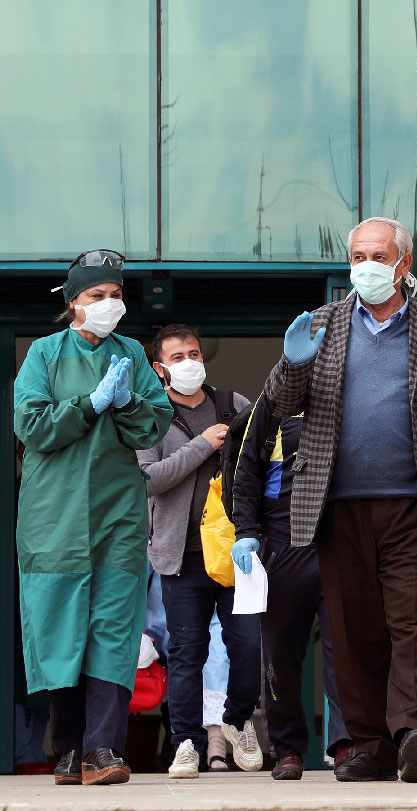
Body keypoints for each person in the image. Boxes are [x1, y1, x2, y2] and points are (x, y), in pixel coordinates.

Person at [264, 216, 417, 783]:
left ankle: (412, 730)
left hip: (416, 502)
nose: (365, 265)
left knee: (414, 622)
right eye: (357, 255)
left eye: (377, 255)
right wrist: (293, 362)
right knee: (352, 627)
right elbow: (279, 404)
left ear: (403, 264)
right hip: (336, 504)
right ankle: (369, 745)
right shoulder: (323, 323)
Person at [13, 250, 173, 785]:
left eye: (115, 295)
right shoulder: (42, 353)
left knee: (112, 628)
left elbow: (151, 429)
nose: (109, 304)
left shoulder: (131, 353)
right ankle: (68, 749)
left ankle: (103, 750)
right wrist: (90, 404)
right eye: (96, 296)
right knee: (62, 629)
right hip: (52, 516)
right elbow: (32, 427)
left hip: (117, 515)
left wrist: (126, 403)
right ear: (72, 303)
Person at [136, 324, 258, 779]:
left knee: (247, 646)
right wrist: (202, 445)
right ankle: (185, 741)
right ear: (159, 368)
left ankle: (238, 720)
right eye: (178, 356)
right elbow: (150, 479)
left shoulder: (234, 406)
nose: (189, 362)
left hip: (235, 553)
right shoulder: (148, 417)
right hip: (179, 555)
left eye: (194, 353)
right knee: (188, 651)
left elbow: (262, 467)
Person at [230, 393, 352, 779]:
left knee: (347, 652)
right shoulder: (271, 404)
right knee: (280, 657)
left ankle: (349, 744)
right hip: (282, 545)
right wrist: (246, 531)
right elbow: (245, 471)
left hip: (341, 545)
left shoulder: (353, 392)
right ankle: (287, 750)